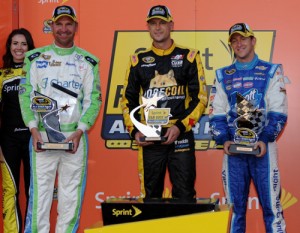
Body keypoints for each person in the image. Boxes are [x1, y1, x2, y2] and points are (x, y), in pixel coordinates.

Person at [18, 5, 101, 232]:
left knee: (70, 196)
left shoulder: (89, 61)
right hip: (41, 136)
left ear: (75, 26)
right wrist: (33, 130)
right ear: (51, 26)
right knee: (40, 196)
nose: (64, 29)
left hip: (74, 137)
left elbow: (93, 100)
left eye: (69, 24)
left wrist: (80, 130)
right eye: (59, 24)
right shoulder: (34, 58)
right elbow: (26, 96)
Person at [121, 5, 207, 202]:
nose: (158, 28)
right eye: (153, 24)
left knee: (184, 196)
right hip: (150, 136)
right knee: (151, 198)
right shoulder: (138, 61)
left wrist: (179, 126)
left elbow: (200, 98)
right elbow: (128, 101)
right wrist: (136, 131)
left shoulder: (189, 56)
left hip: (181, 134)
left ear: (171, 25)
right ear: (148, 27)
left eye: (162, 23)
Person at [209, 23, 288, 233]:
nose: (239, 43)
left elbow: (278, 111)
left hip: (263, 150)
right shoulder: (222, 75)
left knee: (272, 208)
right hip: (233, 152)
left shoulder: (271, 71)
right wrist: (223, 140)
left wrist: (264, 138)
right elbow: (216, 113)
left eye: (243, 38)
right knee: (234, 210)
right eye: (234, 40)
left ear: (253, 40)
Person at [0, 28, 35, 233]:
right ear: (9, 47)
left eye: (23, 44)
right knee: (10, 191)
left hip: (33, 140)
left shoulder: (37, 72)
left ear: (29, 47)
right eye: (15, 43)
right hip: (8, 142)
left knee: (34, 192)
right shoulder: (2, 75)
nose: (19, 48)